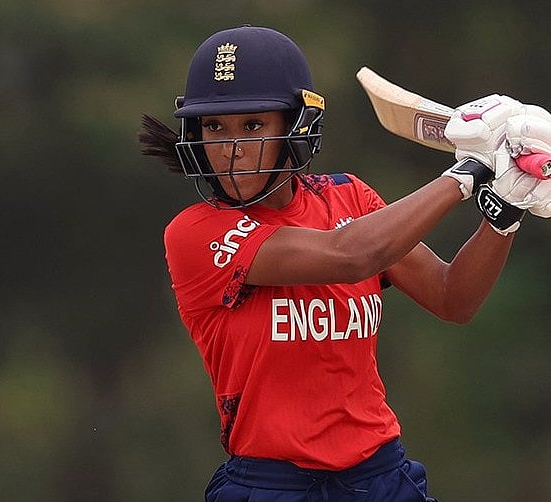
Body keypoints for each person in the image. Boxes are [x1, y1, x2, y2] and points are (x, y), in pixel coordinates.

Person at [139, 25, 551, 501]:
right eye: (215, 127)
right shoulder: (195, 233)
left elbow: (451, 297)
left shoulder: (349, 198)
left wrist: (503, 213)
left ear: (296, 127)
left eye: (252, 126)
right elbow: (352, 256)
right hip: (271, 485)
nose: (232, 150)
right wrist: (467, 172)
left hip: (380, 477)